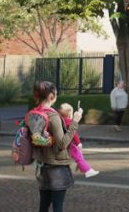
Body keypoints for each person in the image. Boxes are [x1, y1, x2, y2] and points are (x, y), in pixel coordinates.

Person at [31, 81, 82, 212]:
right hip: (57, 168)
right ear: (51, 96)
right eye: (56, 93)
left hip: (42, 166)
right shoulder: (53, 116)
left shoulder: (34, 114)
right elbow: (62, 143)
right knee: (57, 207)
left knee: (43, 206)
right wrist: (75, 122)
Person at [57, 103, 98, 178]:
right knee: (79, 157)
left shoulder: (59, 120)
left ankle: (82, 168)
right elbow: (74, 134)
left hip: (62, 142)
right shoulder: (68, 122)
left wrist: (79, 113)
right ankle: (87, 170)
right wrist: (78, 143)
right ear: (69, 115)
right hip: (70, 144)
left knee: (75, 158)